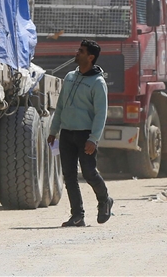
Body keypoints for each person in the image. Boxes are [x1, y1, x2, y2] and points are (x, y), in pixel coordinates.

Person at [47, 39, 113, 227]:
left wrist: (94, 139)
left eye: (81, 51)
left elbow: (101, 114)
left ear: (90, 57)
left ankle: (105, 200)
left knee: (89, 173)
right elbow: (60, 106)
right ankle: (77, 215)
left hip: (85, 136)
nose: (77, 53)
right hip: (67, 134)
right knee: (69, 175)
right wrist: (54, 130)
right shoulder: (69, 77)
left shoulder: (98, 83)